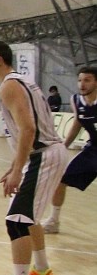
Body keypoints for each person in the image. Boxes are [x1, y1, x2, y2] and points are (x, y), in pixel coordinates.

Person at [0, 40, 69, 275]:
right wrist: (17, 163)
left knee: (16, 221)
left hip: (43, 155)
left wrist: (18, 170)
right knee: (28, 218)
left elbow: (28, 128)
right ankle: (42, 270)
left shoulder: (9, 86)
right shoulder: (23, 81)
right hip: (42, 154)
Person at [42, 66, 97, 234]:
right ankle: (53, 221)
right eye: (79, 80)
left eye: (87, 80)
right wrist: (63, 146)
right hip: (93, 150)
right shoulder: (76, 100)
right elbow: (77, 124)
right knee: (61, 180)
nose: (82, 84)